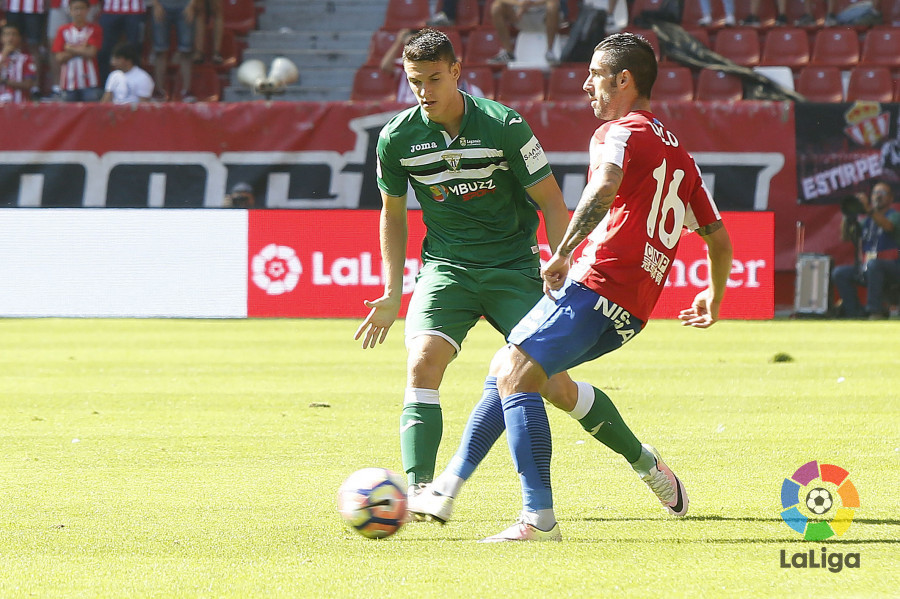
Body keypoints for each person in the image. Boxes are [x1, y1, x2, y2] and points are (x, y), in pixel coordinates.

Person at [410, 32, 733, 542]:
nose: (586, 85)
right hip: (633, 310)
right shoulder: (681, 156)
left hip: (596, 284)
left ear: (623, 80)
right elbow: (718, 238)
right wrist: (714, 295)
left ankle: (537, 518)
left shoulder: (618, 132)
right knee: (510, 368)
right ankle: (448, 489)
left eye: (595, 75)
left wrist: (563, 251)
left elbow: (603, 186)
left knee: (515, 373)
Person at [357, 27, 615, 511]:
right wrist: (392, 291)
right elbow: (392, 214)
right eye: (415, 81)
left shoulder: (504, 125)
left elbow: (552, 202)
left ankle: (644, 461)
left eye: (434, 79)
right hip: (447, 268)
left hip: (513, 267)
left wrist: (564, 260)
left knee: (556, 388)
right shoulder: (397, 138)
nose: (424, 91)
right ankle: (419, 492)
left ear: (457, 71)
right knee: (422, 361)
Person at [832, 182, 900, 319]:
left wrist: (868, 209)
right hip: (870, 267)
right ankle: (855, 312)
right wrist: (849, 213)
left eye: (882, 193)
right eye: (875, 193)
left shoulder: (894, 216)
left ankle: (875, 310)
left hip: (893, 267)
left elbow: (888, 226)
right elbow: (846, 236)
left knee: (873, 265)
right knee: (839, 273)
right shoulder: (867, 221)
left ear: (891, 198)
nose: (878, 196)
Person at [380, 28, 484, 105]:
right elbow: (385, 66)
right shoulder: (406, 66)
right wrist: (399, 42)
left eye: (435, 79)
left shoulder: (473, 91)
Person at [52, 0, 104, 102]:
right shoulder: (62, 30)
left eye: (82, 8)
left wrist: (70, 49)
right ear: (70, 11)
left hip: (90, 82)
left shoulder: (95, 29)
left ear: (88, 10)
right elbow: (59, 58)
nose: (79, 12)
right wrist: (82, 48)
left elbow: (91, 53)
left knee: (90, 110)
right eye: (76, 9)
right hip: (67, 84)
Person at [486, 0, 561, 65]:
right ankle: (508, 53)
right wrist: (520, 4)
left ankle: (550, 51)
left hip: (543, 16)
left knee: (552, 5)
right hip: (519, 16)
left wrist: (531, 4)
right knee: (496, 7)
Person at [151, 0, 196, 101]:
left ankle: (187, 91)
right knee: (160, 51)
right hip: (162, 4)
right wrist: (156, 5)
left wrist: (191, 5)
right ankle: (159, 91)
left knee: (186, 51)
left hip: (184, 5)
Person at [97, 0, 147, 87]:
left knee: (135, 50)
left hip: (135, 10)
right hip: (109, 10)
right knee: (104, 50)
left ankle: (135, 85)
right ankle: (105, 86)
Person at [0, 23, 38, 103]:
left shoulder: (27, 59)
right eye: (7, 34)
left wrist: (4, 81)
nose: (10, 38)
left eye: (14, 34)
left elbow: (28, 85)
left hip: (20, 105)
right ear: (2, 38)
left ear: (19, 38)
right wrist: (4, 56)